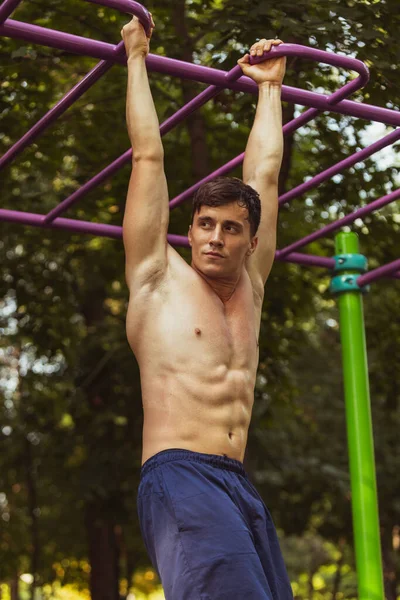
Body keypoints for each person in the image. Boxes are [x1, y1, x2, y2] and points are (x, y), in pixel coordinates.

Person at [121, 13, 292, 600]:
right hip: (179, 475)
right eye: (205, 225)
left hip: (237, 483)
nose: (216, 237)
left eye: (231, 228)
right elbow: (148, 156)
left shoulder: (253, 285)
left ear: (250, 239)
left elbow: (263, 174)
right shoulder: (156, 279)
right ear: (189, 232)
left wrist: (270, 88)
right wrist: (137, 58)